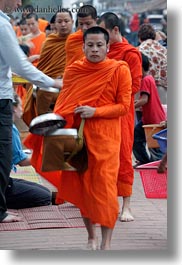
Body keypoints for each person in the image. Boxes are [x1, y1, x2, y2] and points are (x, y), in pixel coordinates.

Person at [24, 26, 132, 250]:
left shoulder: (119, 69)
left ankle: (106, 244)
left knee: (105, 189)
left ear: (107, 47)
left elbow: (123, 107)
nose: (94, 50)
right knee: (82, 187)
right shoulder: (74, 70)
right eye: (90, 45)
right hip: (78, 139)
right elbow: (64, 104)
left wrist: (96, 111)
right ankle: (91, 237)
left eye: (99, 45)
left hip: (106, 140)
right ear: (82, 47)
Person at [0, 0, 62, 223]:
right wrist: (54, 83)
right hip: (5, 96)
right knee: (4, 155)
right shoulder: (3, 24)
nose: (18, 3)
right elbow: (20, 67)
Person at [97, 12, 142, 222]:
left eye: (104, 31)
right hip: (101, 113)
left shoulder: (130, 53)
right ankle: (107, 202)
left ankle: (127, 206)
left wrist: (110, 92)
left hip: (121, 112)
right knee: (103, 158)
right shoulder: (101, 51)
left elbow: (135, 86)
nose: (100, 38)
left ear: (115, 30)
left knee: (123, 155)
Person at [6, 93, 52, 209]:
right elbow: (21, 161)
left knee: (44, 190)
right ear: (14, 108)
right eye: (21, 105)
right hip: (3, 183)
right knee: (45, 196)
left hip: (5, 179)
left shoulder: (9, 125)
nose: (22, 109)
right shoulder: (8, 128)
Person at [35, 11, 74, 115]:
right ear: (55, 24)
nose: (63, 24)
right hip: (47, 88)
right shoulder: (49, 42)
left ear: (72, 22)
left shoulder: (78, 41)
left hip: (69, 89)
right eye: (59, 21)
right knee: (44, 124)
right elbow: (42, 67)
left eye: (66, 21)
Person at [133, 53, 166, 166]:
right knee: (138, 138)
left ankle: (150, 163)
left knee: (154, 145)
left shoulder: (145, 80)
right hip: (151, 118)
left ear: (139, 66)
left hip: (152, 119)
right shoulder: (149, 77)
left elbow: (144, 100)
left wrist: (128, 106)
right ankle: (146, 162)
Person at [138, 23, 167, 104]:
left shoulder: (138, 51)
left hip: (145, 93)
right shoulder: (164, 50)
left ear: (139, 38)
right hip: (164, 93)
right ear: (154, 36)